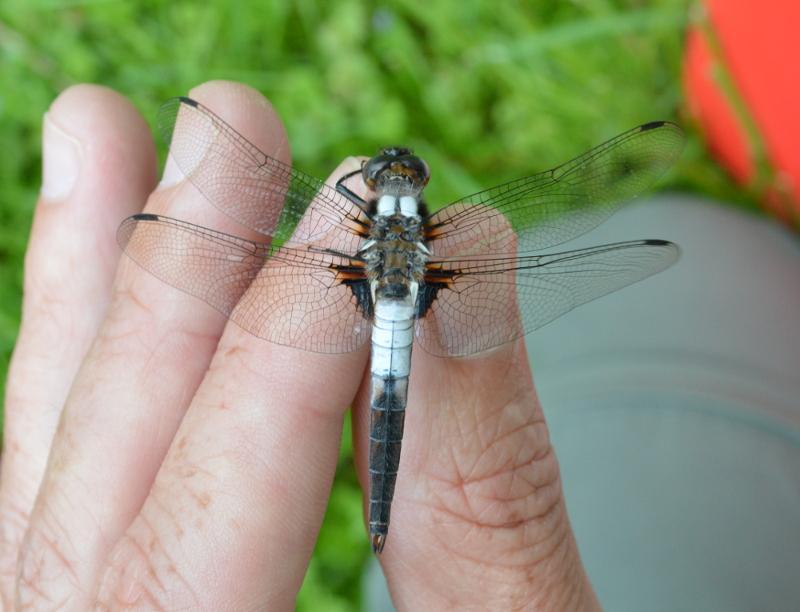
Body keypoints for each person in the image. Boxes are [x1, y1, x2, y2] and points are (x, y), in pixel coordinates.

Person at [0, 81, 600, 610]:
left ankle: (382, 530)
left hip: (374, 292)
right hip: (408, 304)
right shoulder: (428, 233)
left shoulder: (357, 222)